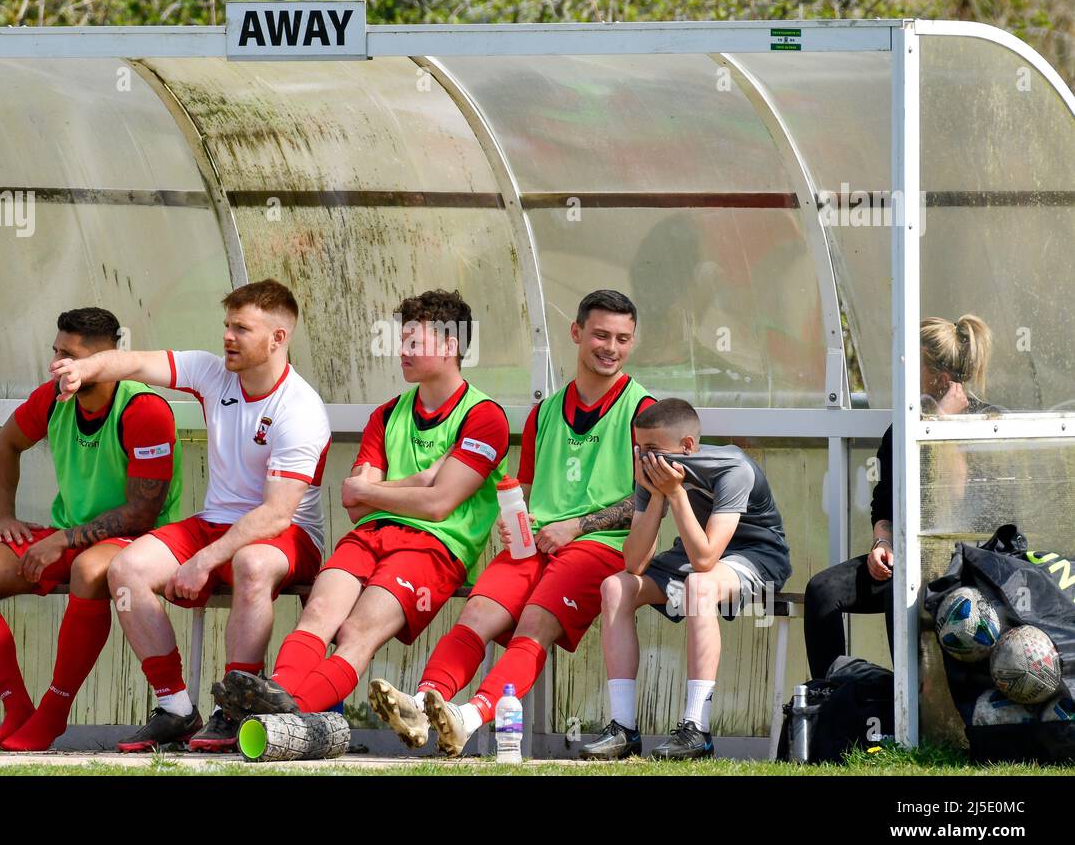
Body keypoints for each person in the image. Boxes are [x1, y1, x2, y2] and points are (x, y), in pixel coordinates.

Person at [366, 290, 656, 756]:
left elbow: (647, 496)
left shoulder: (643, 411)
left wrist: (577, 525)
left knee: (535, 624)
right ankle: (422, 703)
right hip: (536, 543)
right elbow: (525, 486)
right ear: (576, 333)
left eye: (623, 339)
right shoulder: (544, 412)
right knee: (475, 615)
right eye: (601, 334)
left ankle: (470, 716)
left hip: (600, 545)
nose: (611, 348)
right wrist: (514, 520)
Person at [50, 280, 331, 752]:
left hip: (288, 535)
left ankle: (235, 707)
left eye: (241, 328)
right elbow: (133, 361)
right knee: (126, 568)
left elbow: (276, 516)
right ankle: (176, 707)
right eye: (226, 325)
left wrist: (203, 561)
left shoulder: (300, 408)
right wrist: (84, 367)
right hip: (215, 523)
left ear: (278, 339)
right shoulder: (213, 372)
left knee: (252, 563)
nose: (227, 337)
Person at [213, 290, 510, 723]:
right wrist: (419, 481)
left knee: (357, 631)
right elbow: (352, 499)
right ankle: (279, 698)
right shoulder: (387, 414)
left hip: (435, 547)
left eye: (415, 342)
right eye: (402, 340)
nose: (403, 351)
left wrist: (384, 490)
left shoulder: (484, 416)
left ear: (450, 347)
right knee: (317, 612)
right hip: (369, 533)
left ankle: (287, 714)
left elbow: (439, 505)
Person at [0, 307, 182, 750]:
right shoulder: (53, 397)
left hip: (137, 540)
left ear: (103, 358)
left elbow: (142, 513)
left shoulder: (144, 408)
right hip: (68, 533)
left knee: (89, 569)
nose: (57, 364)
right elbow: (6, 444)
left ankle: (53, 714)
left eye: (68, 355)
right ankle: (19, 708)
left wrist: (63, 539)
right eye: (56, 351)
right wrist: (5, 517)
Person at [581, 398, 792, 760]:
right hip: (696, 554)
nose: (643, 458)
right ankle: (623, 728)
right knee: (616, 586)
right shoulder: (654, 471)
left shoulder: (732, 468)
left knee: (699, 585)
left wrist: (676, 493)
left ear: (688, 447)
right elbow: (634, 562)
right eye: (638, 448)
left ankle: (697, 728)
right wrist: (656, 494)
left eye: (651, 449)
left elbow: (706, 558)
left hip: (757, 556)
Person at [803, 314, 994, 679]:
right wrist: (882, 542)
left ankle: (914, 706)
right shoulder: (901, 428)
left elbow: (953, 501)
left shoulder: (987, 423)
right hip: (907, 559)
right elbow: (884, 502)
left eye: (911, 363)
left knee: (900, 595)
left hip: (965, 565)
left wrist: (942, 425)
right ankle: (832, 698)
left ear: (939, 377)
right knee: (822, 591)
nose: (900, 370)